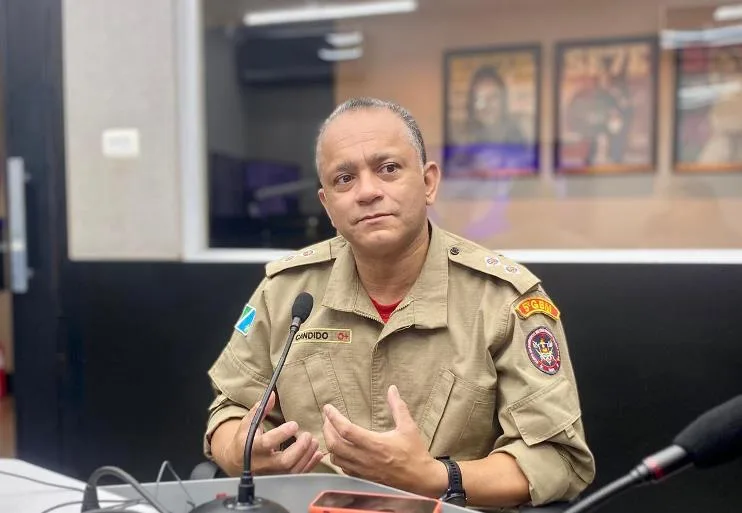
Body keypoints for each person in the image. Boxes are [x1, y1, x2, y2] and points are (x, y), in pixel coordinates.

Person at [204, 97, 595, 509]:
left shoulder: (502, 300)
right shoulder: (286, 292)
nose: (367, 192)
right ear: (327, 205)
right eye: (344, 179)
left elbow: (558, 459)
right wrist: (242, 453)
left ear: (428, 182)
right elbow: (229, 409)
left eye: (388, 169)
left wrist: (434, 477)